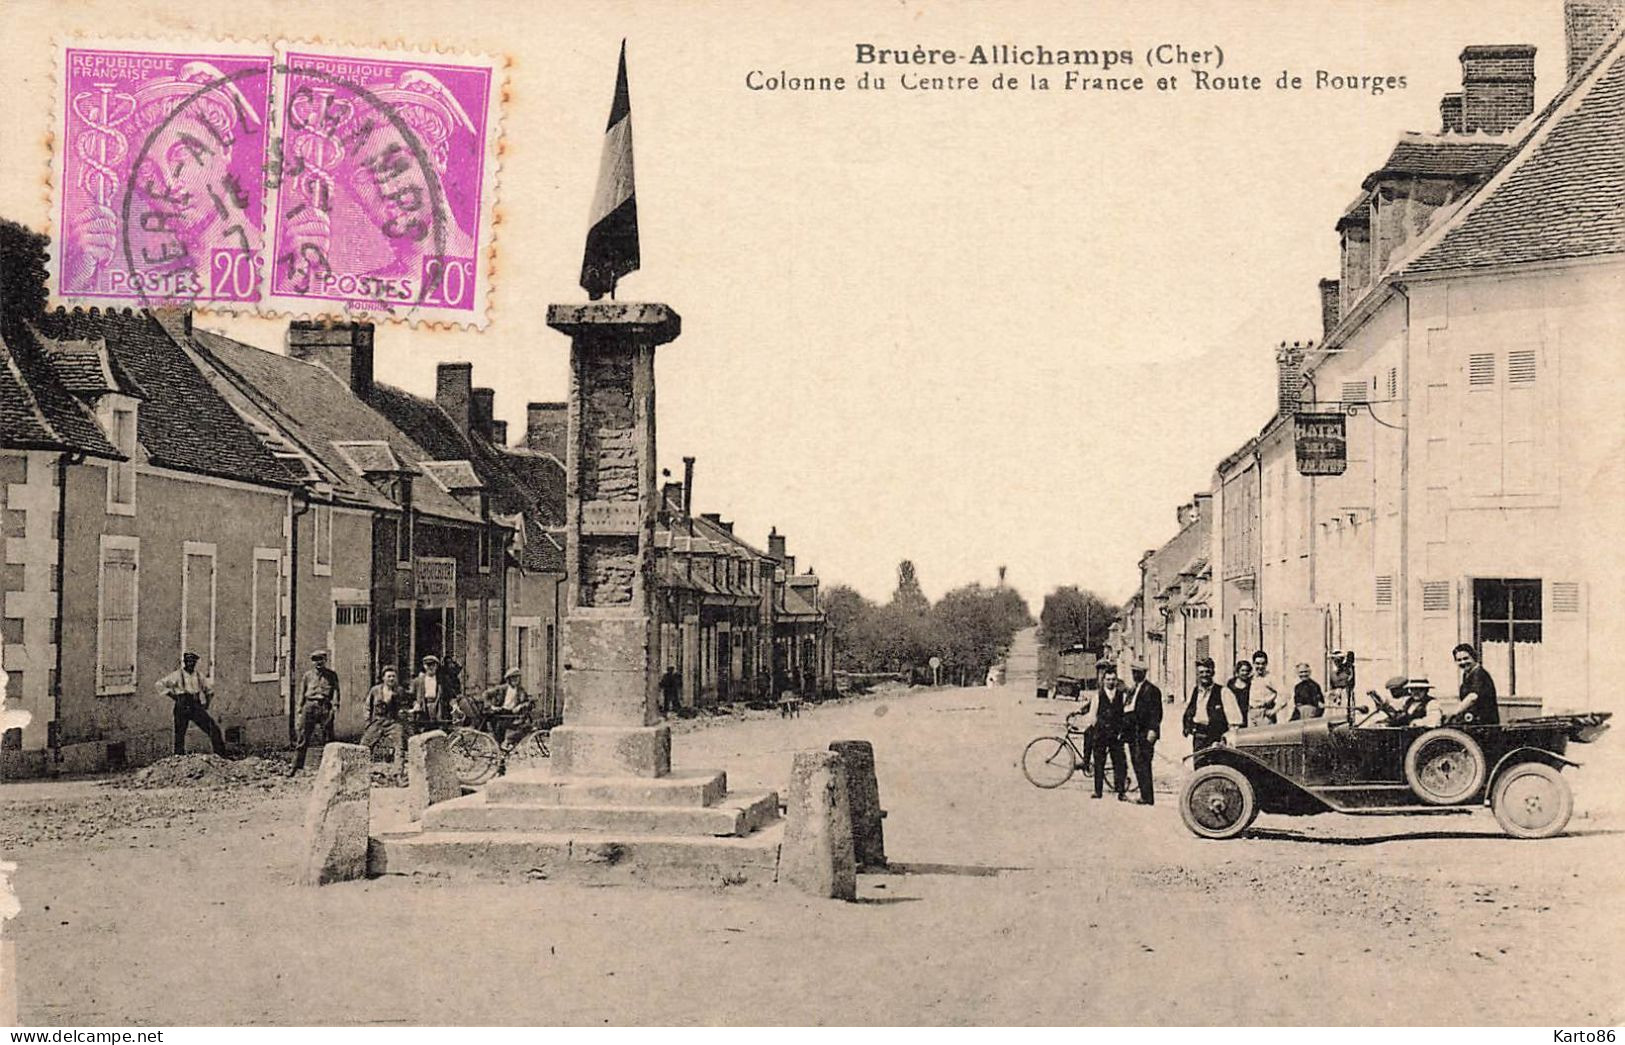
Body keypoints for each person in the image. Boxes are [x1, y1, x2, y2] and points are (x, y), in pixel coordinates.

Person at [155, 651, 227, 756]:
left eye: (193, 662)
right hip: (182, 705)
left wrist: (207, 703)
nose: (190, 664)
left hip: (195, 705)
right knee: (179, 734)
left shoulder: (199, 676)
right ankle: (178, 759)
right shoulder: (177, 675)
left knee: (213, 729)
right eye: (188, 661)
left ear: (195, 663)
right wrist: (174, 696)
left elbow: (209, 691)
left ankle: (222, 756)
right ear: (184, 662)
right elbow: (159, 684)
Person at [291, 650, 342, 772]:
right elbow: (301, 693)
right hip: (309, 707)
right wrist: (299, 709)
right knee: (303, 737)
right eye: (315, 659)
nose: (318, 662)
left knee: (328, 738)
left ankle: (330, 767)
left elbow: (336, 692)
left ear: (325, 660)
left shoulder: (331, 675)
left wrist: (334, 708)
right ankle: (296, 767)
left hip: (325, 707)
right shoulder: (307, 676)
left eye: (320, 659)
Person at [1122, 660, 1163, 805]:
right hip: (1132, 732)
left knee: (1144, 763)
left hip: (1144, 732)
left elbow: (1156, 713)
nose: (1135, 675)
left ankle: (1147, 796)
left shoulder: (1151, 690)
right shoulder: (1133, 689)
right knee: (1136, 762)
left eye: (1138, 672)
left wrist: (1153, 731)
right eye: (1133, 672)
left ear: (1144, 673)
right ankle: (1143, 794)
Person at [1183, 657, 1244, 752]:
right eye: (1201, 672)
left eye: (1207, 672)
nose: (1204, 675)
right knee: (1200, 766)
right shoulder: (1195, 691)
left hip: (1217, 740)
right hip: (1199, 738)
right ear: (1197, 675)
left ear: (1213, 673)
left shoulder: (1224, 692)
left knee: (1217, 767)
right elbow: (1189, 713)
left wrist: (1226, 741)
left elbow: (1235, 723)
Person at [1089, 663, 1129, 801]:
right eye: (1108, 679)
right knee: (1099, 762)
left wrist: (1122, 731)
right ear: (1103, 680)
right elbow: (1093, 715)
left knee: (1119, 763)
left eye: (1113, 679)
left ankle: (1121, 792)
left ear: (1116, 681)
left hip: (1116, 735)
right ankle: (1097, 791)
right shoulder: (1098, 696)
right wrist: (1097, 728)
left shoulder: (1121, 696)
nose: (1111, 682)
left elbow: (1125, 715)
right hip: (1101, 734)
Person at [359, 665, 407, 766]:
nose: (391, 679)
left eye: (393, 676)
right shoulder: (375, 690)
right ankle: (361, 768)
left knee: (399, 746)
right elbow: (367, 706)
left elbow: (404, 706)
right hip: (377, 722)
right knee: (364, 745)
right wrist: (368, 723)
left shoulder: (400, 691)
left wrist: (403, 714)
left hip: (393, 722)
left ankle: (398, 772)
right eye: (389, 676)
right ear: (383, 678)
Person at [1452, 643, 1500, 725]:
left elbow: (1473, 697)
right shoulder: (1467, 674)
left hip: (1484, 723)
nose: (1463, 662)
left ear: (1474, 657)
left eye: (1466, 658)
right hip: (1472, 720)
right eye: (1459, 660)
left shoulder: (1479, 673)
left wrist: (1454, 713)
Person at [483, 667, 532, 743]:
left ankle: (510, 741)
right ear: (508, 679)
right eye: (513, 678)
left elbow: (527, 702)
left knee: (527, 727)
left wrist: (520, 706)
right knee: (499, 725)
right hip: (499, 712)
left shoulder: (521, 691)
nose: (516, 680)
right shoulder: (501, 689)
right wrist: (491, 706)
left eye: (517, 678)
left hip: (511, 714)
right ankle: (499, 745)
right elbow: (485, 694)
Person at [411, 654, 447, 721]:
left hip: (437, 707)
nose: (431, 667)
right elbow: (411, 697)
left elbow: (449, 696)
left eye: (433, 665)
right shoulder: (417, 681)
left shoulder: (442, 681)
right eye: (428, 665)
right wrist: (416, 704)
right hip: (423, 708)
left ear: (437, 666)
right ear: (424, 666)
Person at [1250, 650, 1282, 725]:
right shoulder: (1251, 677)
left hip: (1265, 714)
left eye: (1263, 664)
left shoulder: (1270, 678)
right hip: (1251, 713)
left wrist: (1274, 710)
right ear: (1253, 664)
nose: (1260, 666)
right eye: (1257, 664)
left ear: (1266, 664)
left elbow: (1285, 694)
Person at [1227, 659, 1255, 727]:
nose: (1245, 673)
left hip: (1246, 714)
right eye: (1242, 670)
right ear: (1238, 671)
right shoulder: (1231, 683)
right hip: (1234, 713)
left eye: (1247, 671)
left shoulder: (1250, 684)